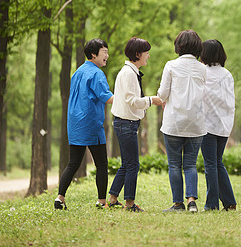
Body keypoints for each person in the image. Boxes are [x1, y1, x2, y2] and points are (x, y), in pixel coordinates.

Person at [54, 38, 114, 210]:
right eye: (104, 52)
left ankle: (60, 198)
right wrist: (129, 99)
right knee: (101, 164)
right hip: (91, 123)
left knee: (73, 163)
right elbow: (108, 97)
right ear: (93, 54)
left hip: (75, 123)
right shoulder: (96, 73)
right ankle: (102, 202)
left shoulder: (77, 72)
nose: (107, 56)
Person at [107, 37, 162, 212]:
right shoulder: (128, 73)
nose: (149, 56)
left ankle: (113, 199)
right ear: (138, 54)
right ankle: (130, 204)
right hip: (126, 124)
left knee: (127, 164)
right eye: (146, 53)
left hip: (126, 123)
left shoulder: (129, 72)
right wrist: (152, 100)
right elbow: (132, 101)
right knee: (132, 165)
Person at [157, 29, 206, 213]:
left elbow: (162, 94)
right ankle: (192, 201)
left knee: (174, 165)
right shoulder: (202, 68)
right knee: (191, 164)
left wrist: (164, 99)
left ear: (179, 45)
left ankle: (178, 204)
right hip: (196, 123)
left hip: (174, 122)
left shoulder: (171, 65)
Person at [200, 39, 237, 211]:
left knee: (211, 164)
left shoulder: (202, 72)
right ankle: (229, 202)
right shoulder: (227, 74)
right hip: (224, 125)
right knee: (217, 162)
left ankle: (212, 204)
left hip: (207, 125)